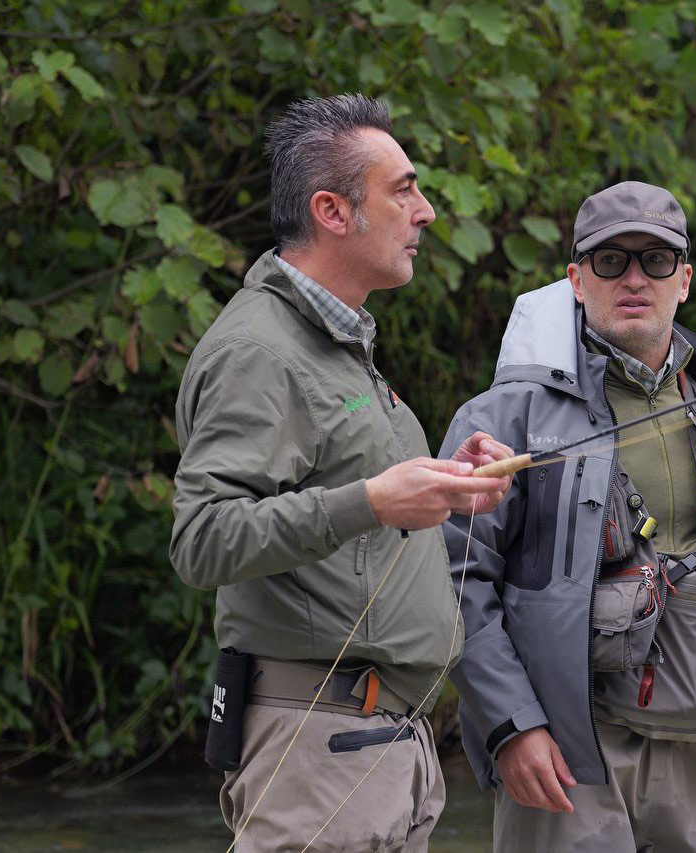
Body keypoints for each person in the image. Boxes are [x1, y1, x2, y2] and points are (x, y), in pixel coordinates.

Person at [440, 180, 696, 851]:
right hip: (566, 753)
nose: (634, 277)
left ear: (684, 280)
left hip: (694, 747)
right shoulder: (503, 417)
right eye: (610, 260)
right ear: (575, 278)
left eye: (655, 260)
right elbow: (454, 579)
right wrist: (511, 724)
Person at [170, 94, 512, 852]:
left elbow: (350, 501)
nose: (425, 211)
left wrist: (446, 485)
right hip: (317, 749)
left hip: (380, 746)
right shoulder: (260, 351)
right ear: (332, 210)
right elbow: (202, 539)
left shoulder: (333, 340)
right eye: (404, 190)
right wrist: (373, 500)